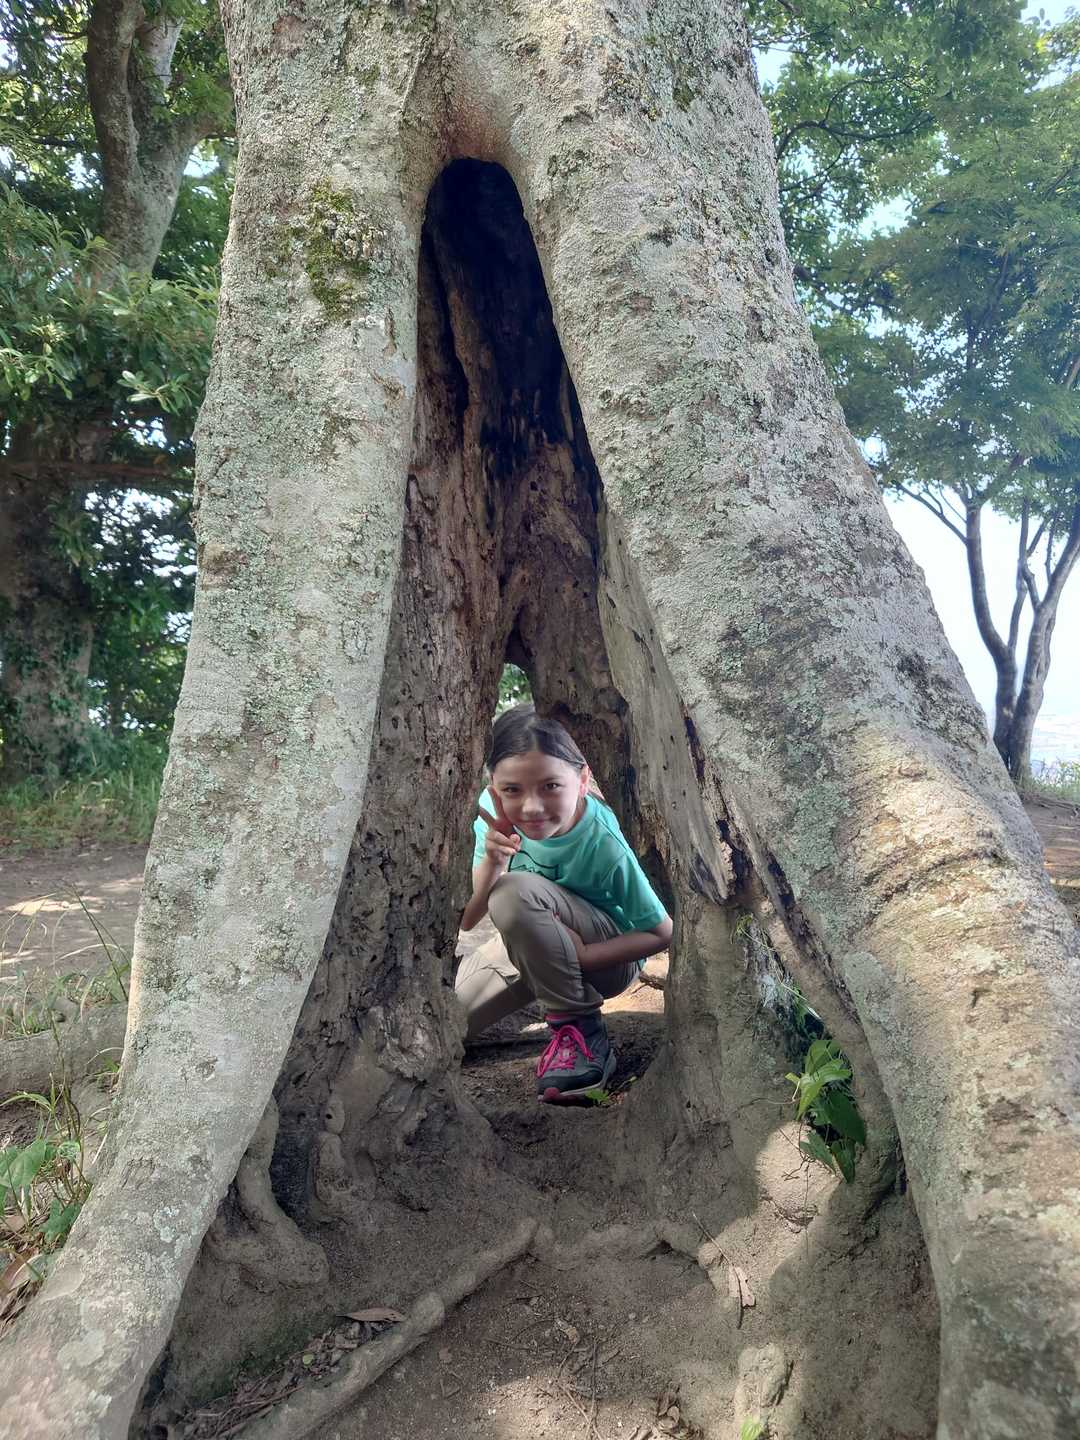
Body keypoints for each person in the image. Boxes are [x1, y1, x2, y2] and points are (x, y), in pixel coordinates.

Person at [457, 703, 673, 1103]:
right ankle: (548, 993)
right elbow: (470, 919)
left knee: (513, 892)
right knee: (449, 1025)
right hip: (530, 946)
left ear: (583, 779)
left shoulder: (600, 839)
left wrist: (586, 956)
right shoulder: (491, 819)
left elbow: (661, 932)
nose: (531, 807)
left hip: (606, 958)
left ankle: (579, 1029)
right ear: (494, 787)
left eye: (551, 786)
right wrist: (494, 861)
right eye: (512, 790)